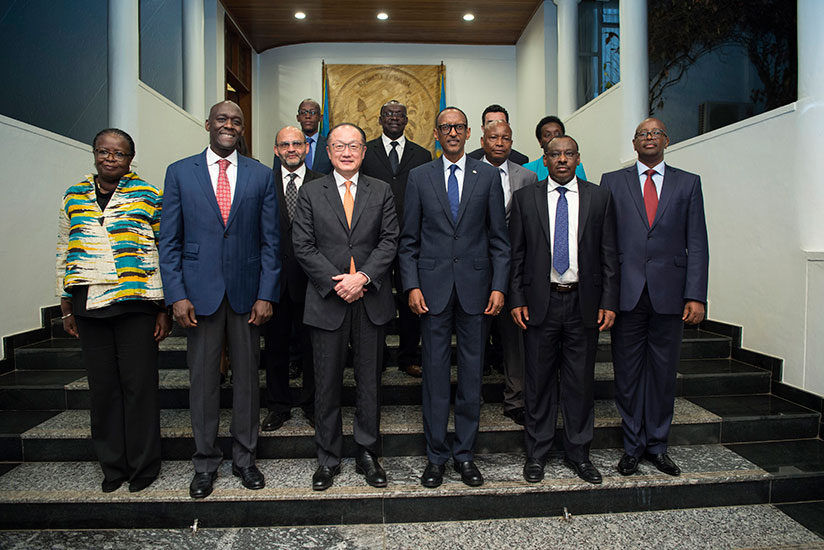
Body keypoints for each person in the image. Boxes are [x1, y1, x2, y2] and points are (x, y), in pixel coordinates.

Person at [159, 100, 280, 499]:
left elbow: (270, 242)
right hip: (199, 295)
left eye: (237, 121)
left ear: (243, 129)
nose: (229, 125)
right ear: (209, 124)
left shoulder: (262, 176)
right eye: (223, 119)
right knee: (203, 383)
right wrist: (176, 295)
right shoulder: (179, 173)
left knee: (247, 383)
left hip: (248, 295)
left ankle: (245, 460)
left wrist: (267, 293)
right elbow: (169, 242)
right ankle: (205, 462)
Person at [399, 107, 510, 488]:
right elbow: (408, 240)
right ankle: (435, 456)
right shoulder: (419, 176)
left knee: (472, 379)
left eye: (458, 127)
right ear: (436, 133)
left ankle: (464, 454)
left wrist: (499, 287)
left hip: (477, 292)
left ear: (468, 133)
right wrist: (411, 285)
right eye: (445, 127)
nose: (452, 132)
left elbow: (499, 240)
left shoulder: (489, 176)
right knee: (433, 377)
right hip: (431, 293)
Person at [56, 128, 170, 493]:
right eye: (104, 151)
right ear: (94, 153)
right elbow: (63, 247)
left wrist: (163, 307)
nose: (110, 158)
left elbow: (165, 248)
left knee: (139, 387)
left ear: (130, 159)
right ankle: (112, 466)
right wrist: (65, 302)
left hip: (136, 302)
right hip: (88, 303)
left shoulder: (149, 194)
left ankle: (144, 465)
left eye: (118, 154)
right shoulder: (74, 195)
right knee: (103, 389)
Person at [292, 123, 399, 491]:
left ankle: (367, 453)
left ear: (364, 151)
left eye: (354, 145)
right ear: (328, 150)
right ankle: (328, 458)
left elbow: (390, 240)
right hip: (327, 300)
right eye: (339, 145)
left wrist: (363, 278)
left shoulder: (381, 190)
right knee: (326, 384)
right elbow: (303, 245)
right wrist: (338, 282)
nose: (347, 152)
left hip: (370, 300)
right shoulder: (310, 192)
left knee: (370, 382)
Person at [600, 117, 709, 477]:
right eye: (642, 134)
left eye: (655, 133)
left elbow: (698, 243)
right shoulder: (612, 183)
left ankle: (658, 446)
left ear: (666, 140)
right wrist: (606, 296)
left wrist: (696, 295)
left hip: (670, 295)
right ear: (633, 144)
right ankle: (632, 446)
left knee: (663, 375)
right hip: (626, 295)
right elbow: (605, 244)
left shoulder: (688, 184)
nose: (649, 138)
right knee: (627, 375)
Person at [509, 135, 619, 484]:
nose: (562, 160)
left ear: (577, 158)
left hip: (582, 302)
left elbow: (609, 255)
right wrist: (517, 299)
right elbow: (516, 255)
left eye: (568, 154)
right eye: (555, 154)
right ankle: (537, 454)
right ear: (545, 158)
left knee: (580, 383)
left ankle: (579, 454)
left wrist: (609, 302)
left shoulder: (599, 197)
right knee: (538, 383)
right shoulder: (526, 198)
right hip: (540, 302)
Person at [361, 100, 432, 378]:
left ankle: (408, 357)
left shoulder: (422, 155)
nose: (394, 118)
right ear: (380, 120)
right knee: (374, 300)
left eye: (399, 115)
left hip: (410, 239)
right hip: (373, 239)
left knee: (410, 300)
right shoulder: (366, 153)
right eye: (388, 114)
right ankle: (374, 357)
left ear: (406, 120)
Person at [261, 126, 323, 432]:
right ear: (276, 150)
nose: (291, 149)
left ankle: (312, 405)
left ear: (306, 148)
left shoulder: (322, 184)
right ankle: (278, 406)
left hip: (313, 282)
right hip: (274, 282)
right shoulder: (263, 183)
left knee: (313, 348)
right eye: (284, 144)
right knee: (275, 348)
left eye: (297, 144)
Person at [478, 120, 538, 425]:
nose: (500, 143)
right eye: (493, 137)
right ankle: (470, 395)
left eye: (506, 138)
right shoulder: (470, 171)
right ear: (483, 140)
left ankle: (516, 400)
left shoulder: (528, 177)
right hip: (475, 269)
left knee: (515, 338)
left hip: (515, 269)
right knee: (474, 337)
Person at [274, 99, 332, 175]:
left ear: (320, 118)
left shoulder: (330, 145)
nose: (308, 116)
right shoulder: (284, 146)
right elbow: (276, 174)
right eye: (303, 112)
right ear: (298, 117)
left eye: (313, 112)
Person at [522, 116, 588, 181]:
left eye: (558, 134)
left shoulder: (577, 167)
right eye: (548, 135)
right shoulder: (528, 169)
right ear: (540, 141)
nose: (553, 138)